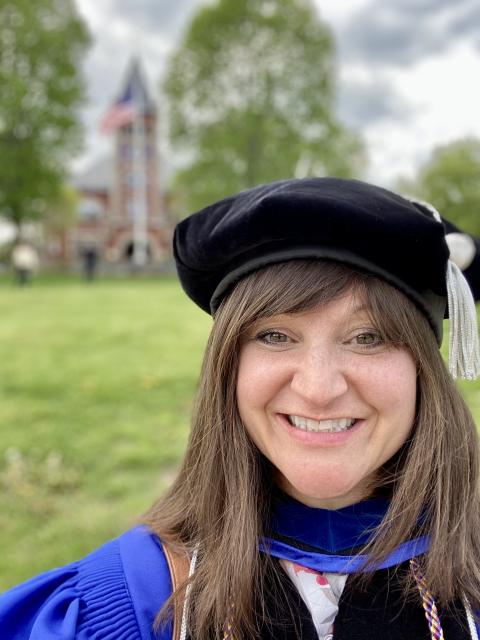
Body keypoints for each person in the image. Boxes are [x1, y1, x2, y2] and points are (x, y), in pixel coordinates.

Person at [1, 177, 480, 639]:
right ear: (228, 364)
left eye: (368, 337)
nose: (317, 389)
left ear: (423, 369)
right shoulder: (131, 601)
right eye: (275, 336)